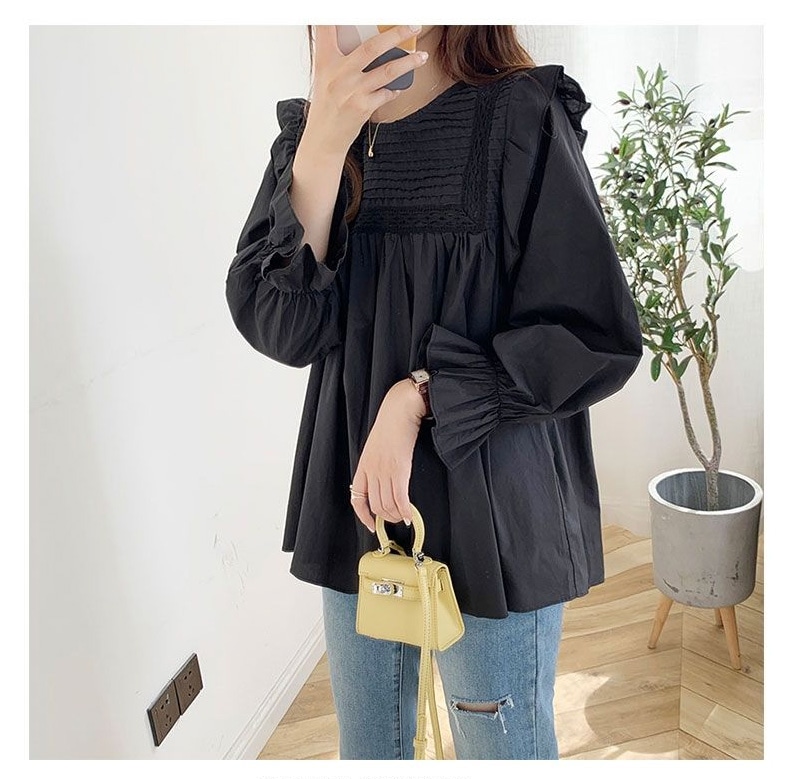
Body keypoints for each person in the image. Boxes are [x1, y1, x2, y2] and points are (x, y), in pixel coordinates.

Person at [225, 25, 643, 760]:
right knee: (370, 751)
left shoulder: (520, 115)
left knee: (501, 754)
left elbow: (593, 336)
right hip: (362, 503)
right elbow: (283, 328)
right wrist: (323, 145)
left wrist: (421, 395)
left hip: (493, 511)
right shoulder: (314, 140)